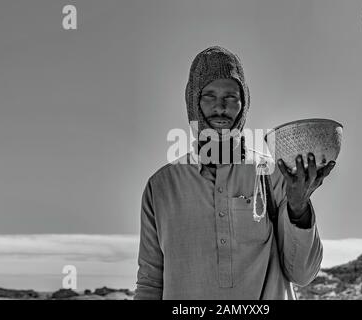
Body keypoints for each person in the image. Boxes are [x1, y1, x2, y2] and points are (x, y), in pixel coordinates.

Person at [134, 46, 336, 300]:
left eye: (231, 96)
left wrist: (299, 207)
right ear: (192, 102)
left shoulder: (274, 175)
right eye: (208, 95)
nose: (221, 107)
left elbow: (302, 274)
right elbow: (150, 283)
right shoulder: (161, 187)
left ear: (244, 104)